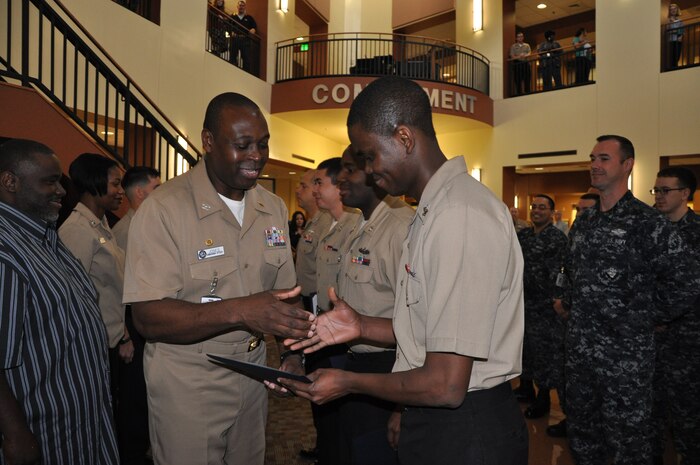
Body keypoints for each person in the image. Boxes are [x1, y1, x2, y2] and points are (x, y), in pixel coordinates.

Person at [280, 76, 528, 465]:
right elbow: (432, 333)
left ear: (404, 138)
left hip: (468, 430)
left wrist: (348, 382)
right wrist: (361, 325)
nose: (367, 170)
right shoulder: (432, 211)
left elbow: (446, 384)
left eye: (369, 155)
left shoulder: (458, 215)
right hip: (440, 418)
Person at [122, 92, 314, 465]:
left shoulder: (271, 207)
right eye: (242, 145)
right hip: (189, 383)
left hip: (254, 375)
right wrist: (241, 311)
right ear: (208, 142)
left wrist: (292, 356)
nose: (256, 156)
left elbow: (286, 296)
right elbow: (147, 317)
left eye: (262, 144)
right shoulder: (165, 209)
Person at [561, 135, 698, 465]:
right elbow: (571, 275)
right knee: (582, 437)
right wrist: (568, 303)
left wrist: (648, 316)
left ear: (627, 165)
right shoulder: (585, 222)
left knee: (629, 443)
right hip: (581, 357)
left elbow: (688, 281)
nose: (595, 164)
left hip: (626, 361)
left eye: (604, 158)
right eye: (592, 157)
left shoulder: (648, 223)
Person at [0, 139, 119, 465]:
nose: (62, 191)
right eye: (50, 182)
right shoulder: (5, 251)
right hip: (42, 433)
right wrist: (15, 435)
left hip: (80, 423)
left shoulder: (44, 235)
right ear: (10, 182)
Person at [333, 145, 414, 465]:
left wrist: (402, 406)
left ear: (375, 175)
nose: (340, 177)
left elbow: (417, 326)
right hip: (356, 363)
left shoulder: (400, 227)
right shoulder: (359, 222)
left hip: (390, 369)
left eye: (349, 169)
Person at [58, 154, 133, 442]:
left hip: (111, 341)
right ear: (94, 183)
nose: (121, 191)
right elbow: (74, 299)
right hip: (93, 348)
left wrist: (123, 332)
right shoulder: (77, 231)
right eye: (115, 183)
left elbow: (108, 290)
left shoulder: (100, 224)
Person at [310, 155, 362, 465]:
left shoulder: (355, 226)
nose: (314, 189)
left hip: (347, 334)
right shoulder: (326, 224)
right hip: (322, 326)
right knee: (323, 404)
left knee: (344, 411)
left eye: (320, 182)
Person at [650, 167, 700, 465]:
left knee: (688, 413)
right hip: (651, 340)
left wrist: (662, 315)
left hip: (688, 340)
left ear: (685, 194)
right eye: (656, 190)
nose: (658, 196)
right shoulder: (651, 230)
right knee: (651, 412)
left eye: (665, 190)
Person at [111, 166, 160, 465]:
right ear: (140, 192)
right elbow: (121, 289)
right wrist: (124, 334)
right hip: (132, 322)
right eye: (157, 188)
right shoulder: (128, 230)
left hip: (145, 318)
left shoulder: (146, 223)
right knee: (134, 398)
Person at [517, 195, 569, 438]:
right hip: (522, 304)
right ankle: (525, 388)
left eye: (542, 208)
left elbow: (562, 274)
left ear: (552, 212)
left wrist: (558, 301)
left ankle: (543, 397)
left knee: (544, 352)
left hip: (545, 307)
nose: (537, 211)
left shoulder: (557, 239)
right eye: (534, 207)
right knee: (524, 348)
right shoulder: (524, 236)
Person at [293, 168, 333, 461]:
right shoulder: (314, 224)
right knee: (312, 378)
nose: (301, 190)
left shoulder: (329, 224)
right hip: (308, 305)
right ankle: (323, 443)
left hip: (320, 307)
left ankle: (327, 446)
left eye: (308, 184)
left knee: (321, 377)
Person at [230, 0, 257, 72]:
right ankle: (232, 69)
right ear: (237, 7)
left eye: (242, 6)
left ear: (245, 7)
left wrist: (253, 29)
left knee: (246, 57)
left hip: (245, 39)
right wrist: (230, 32)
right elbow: (227, 26)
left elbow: (254, 27)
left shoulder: (249, 18)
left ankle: (246, 72)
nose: (241, 7)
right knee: (233, 55)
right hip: (235, 38)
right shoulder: (233, 16)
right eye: (240, 5)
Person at [667, 3, 684, 69]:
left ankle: (675, 67)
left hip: (678, 40)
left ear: (677, 10)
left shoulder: (680, 21)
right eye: (671, 9)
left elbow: (682, 31)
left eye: (675, 9)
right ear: (670, 11)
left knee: (677, 55)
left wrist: (679, 35)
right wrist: (676, 31)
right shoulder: (667, 20)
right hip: (670, 41)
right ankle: (672, 68)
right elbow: (668, 30)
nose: (673, 10)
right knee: (671, 56)